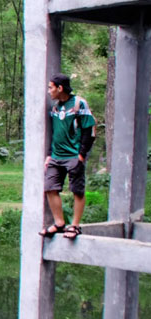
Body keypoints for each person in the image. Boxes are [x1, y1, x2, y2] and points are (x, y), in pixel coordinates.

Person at [39, 73, 96, 240]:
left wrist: (81, 155)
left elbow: (89, 130)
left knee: (77, 190)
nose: (49, 91)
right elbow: (57, 133)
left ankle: (75, 226)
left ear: (60, 88)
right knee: (50, 187)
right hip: (56, 156)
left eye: (51, 88)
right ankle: (59, 223)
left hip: (73, 156)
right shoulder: (55, 108)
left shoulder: (79, 104)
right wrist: (50, 154)